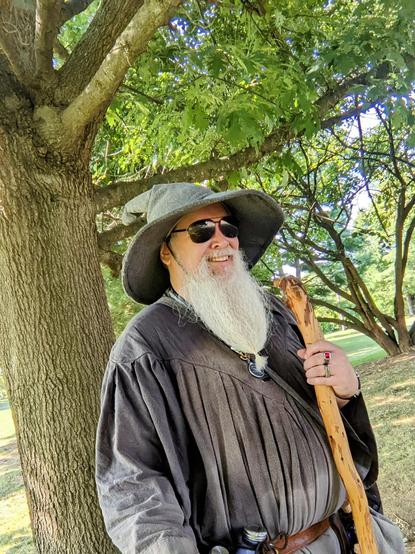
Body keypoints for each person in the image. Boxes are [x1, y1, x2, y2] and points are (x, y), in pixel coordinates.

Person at [95, 183, 404, 554]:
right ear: (165, 251)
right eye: (200, 231)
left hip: (347, 535)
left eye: (229, 228)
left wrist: (345, 390)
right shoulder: (145, 349)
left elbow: (327, 419)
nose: (220, 239)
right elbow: (135, 486)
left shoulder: (275, 312)